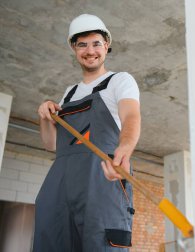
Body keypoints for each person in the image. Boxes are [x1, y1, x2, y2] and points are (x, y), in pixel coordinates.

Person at [34, 14, 141, 252]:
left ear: (106, 45)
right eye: (82, 44)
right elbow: (52, 145)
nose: (89, 50)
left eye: (96, 43)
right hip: (61, 185)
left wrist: (124, 147)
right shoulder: (69, 93)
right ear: (74, 48)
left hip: (102, 179)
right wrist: (45, 117)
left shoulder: (119, 81)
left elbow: (131, 116)